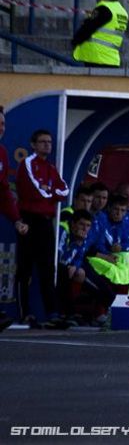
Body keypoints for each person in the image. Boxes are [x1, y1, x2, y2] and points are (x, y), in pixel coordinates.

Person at [15, 129, 69, 328]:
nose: (47, 145)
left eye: (49, 142)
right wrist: (49, 193)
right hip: (29, 220)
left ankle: (52, 312)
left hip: (46, 221)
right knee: (25, 268)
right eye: (43, 142)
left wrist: (50, 190)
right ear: (33, 144)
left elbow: (64, 190)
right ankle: (24, 312)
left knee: (47, 267)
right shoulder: (28, 163)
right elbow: (36, 191)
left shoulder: (50, 167)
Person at [0, 107, 29, 332]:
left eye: (3, 124)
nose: (1, 128)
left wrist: (16, 219)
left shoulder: (1, 152)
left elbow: (3, 191)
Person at [71, 0, 129, 68]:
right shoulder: (122, 12)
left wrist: (75, 41)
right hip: (111, 58)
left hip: (96, 57)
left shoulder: (104, 8)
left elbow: (88, 27)